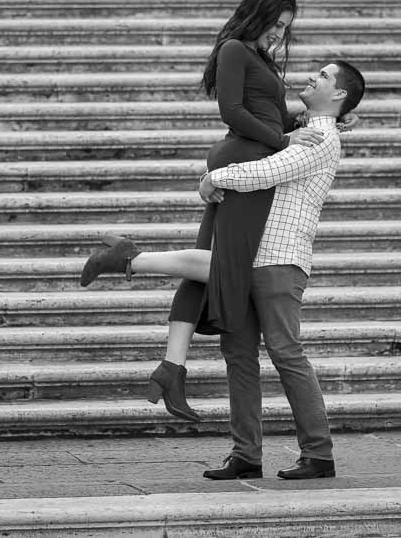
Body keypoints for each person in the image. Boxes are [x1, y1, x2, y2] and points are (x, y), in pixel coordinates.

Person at [84, 60, 366, 480]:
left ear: (340, 94)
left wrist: (214, 176)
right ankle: (246, 455)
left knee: (286, 353)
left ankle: (319, 454)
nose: (312, 77)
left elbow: (270, 170)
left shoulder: (322, 136)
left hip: (280, 259)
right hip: (247, 253)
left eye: (323, 76)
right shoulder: (302, 129)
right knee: (238, 355)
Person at [81, 0, 330, 423]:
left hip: (248, 159)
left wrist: (315, 122)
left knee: (211, 266)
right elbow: (232, 112)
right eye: (275, 24)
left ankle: (171, 369)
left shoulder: (260, 57)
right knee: (229, 267)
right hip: (244, 163)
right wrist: (283, 139)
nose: (279, 33)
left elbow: (268, 115)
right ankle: (129, 258)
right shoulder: (234, 49)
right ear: (257, 15)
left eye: (285, 28)